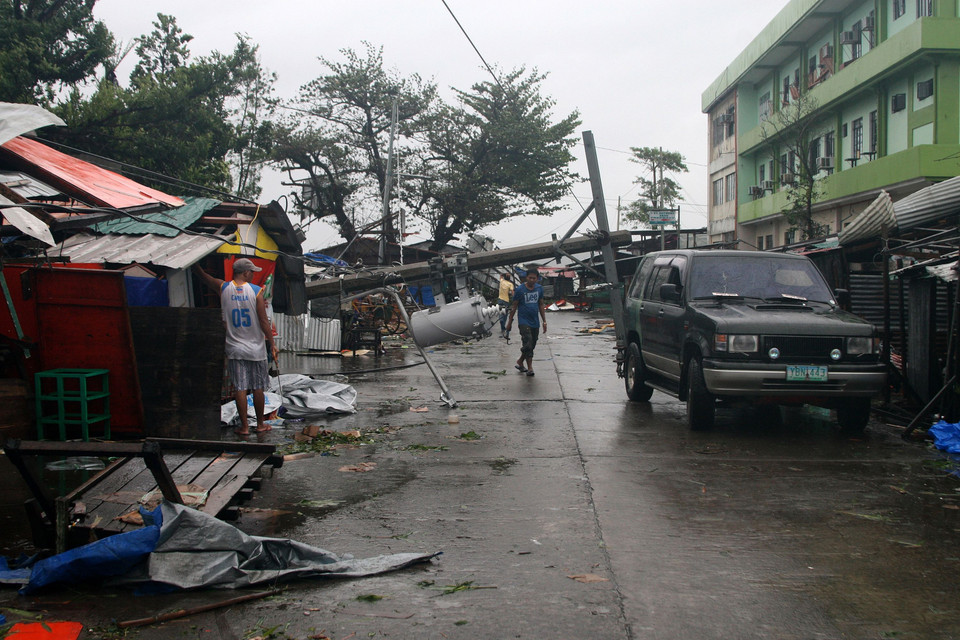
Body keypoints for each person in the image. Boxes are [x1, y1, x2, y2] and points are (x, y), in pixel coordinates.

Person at [194, 258, 279, 435]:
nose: (253, 274)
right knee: (257, 387)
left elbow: (203, 277)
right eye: (252, 272)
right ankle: (260, 425)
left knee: (240, 387)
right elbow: (264, 321)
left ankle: (245, 427)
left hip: (234, 348)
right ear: (245, 273)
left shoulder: (223, 288)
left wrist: (194, 265)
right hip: (256, 349)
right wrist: (272, 343)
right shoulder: (256, 291)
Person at [505, 267, 546, 377]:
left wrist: (544, 321)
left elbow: (541, 304)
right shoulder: (520, 290)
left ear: (537, 279)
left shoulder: (539, 289)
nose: (532, 280)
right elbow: (514, 306)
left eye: (534, 278)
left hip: (535, 321)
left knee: (532, 343)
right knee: (527, 341)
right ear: (526, 278)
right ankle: (530, 368)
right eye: (530, 278)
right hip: (524, 321)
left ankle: (520, 360)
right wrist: (509, 323)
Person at [497, 273, 516, 339]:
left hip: (500, 300)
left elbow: (501, 276)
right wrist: (515, 299)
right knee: (505, 314)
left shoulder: (501, 281)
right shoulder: (510, 284)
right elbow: (512, 292)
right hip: (506, 301)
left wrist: (503, 274)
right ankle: (503, 326)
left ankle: (501, 323)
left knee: (500, 312)